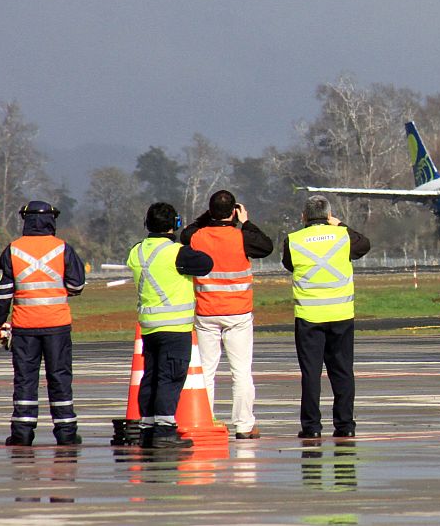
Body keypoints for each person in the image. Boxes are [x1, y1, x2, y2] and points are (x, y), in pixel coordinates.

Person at [180, 190, 273, 440]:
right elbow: (266, 246)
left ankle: (205, 419)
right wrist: (245, 221)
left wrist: (206, 218)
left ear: (211, 212)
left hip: (207, 312)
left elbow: (184, 234)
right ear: (234, 211)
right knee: (241, 371)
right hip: (238, 313)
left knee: (206, 372)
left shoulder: (198, 236)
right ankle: (243, 425)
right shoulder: (241, 237)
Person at [0, 201, 86, 446]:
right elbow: (76, 285)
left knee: (25, 379)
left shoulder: (12, 250)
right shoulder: (62, 248)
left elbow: (2, 292)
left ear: (25, 220)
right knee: (60, 377)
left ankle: (22, 433)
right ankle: (66, 433)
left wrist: (0, 320)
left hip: (24, 327)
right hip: (57, 325)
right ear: (51, 220)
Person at [281, 195, 370, 440]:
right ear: (329, 216)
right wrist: (340, 226)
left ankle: (311, 427)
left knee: (311, 373)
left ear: (304, 217)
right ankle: (345, 425)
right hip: (341, 314)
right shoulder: (343, 236)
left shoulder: (293, 240)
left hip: (309, 316)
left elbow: (289, 264)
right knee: (342, 371)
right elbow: (364, 245)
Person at [127, 202, 213, 449]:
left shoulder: (137, 251)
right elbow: (206, 263)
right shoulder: (178, 253)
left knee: (151, 377)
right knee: (170, 377)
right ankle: (164, 430)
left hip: (149, 327)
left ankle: (147, 428)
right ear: (174, 225)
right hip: (175, 328)